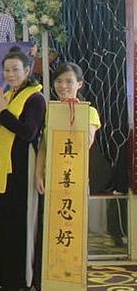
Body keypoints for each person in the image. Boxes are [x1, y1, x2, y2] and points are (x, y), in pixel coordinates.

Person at [0, 47, 44, 291]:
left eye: (16, 70)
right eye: (7, 70)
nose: (10, 74)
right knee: (4, 225)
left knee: (20, 226)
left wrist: (3, 112)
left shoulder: (35, 98)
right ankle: (4, 278)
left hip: (22, 168)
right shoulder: (8, 96)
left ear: (27, 70)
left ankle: (21, 282)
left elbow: (27, 132)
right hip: (3, 168)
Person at [36, 62, 100, 195]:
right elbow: (43, 147)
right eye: (59, 81)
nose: (63, 86)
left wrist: (75, 112)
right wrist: (39, 175)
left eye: (69, 81)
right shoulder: (50, 112)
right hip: (51, 176)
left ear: (79, 84)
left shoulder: (89, 112)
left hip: (75, 177)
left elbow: (86, 144)